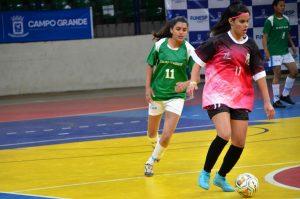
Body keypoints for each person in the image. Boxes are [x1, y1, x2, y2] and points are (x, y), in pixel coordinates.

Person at [186, 1, 275, 192]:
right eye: (242, 21)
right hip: (217, 93)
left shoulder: (250, 45)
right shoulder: (217, 41)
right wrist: (193, 80)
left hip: (240, 96)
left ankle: (221, 176)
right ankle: (205, 172)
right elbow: (197, 62)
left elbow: (259, 75)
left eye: (247, 21)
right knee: (224, 133)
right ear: (231, 21)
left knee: (239, 142)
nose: (246, 25)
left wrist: (267, 102)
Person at [144, 16, 198, 177]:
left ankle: (151, 161)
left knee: (167, 134)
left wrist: (188, 83)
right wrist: (147, 87)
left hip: (175, 97)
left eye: (185, 30)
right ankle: (156, 146)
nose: (181, 32)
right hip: (157, 94)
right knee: (152, 133)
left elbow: (197, 76)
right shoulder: (160, 45)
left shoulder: (188, 50)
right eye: (178, 29)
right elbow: (149, 64)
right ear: (171, 30)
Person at [262, 0, 298, 108]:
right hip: (274, 52)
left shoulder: (286, 19)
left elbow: (287, 34)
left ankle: (285, 95)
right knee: (277, 75)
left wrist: (292, 45)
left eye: (284, 6)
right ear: (275, 7)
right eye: (280, 5)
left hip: (285, 51)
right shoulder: (270, 20)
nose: (283, 7)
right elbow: (264, 37)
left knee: (294, 71)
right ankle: (276, 100)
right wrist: (266, 51)